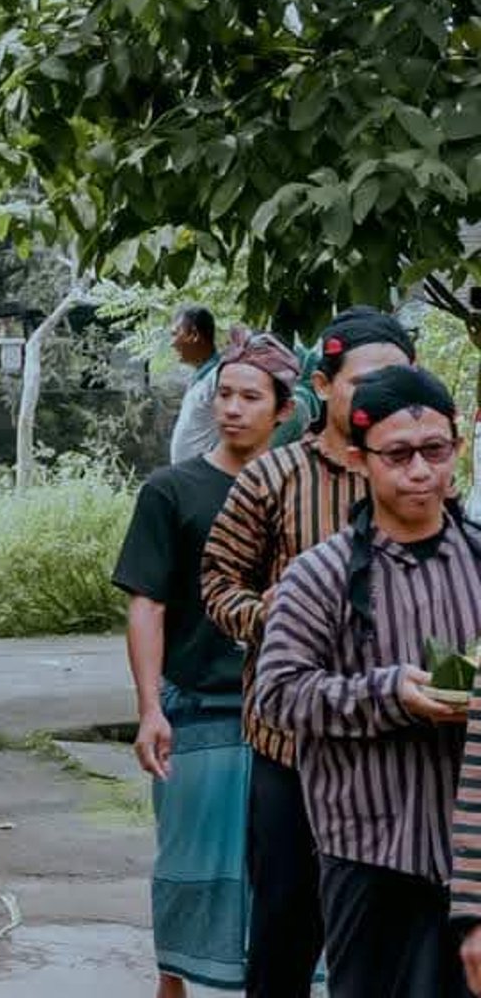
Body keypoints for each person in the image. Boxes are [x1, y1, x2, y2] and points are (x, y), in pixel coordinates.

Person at [200, 306, 415, 998]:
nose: (386, 397)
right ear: (324, 385)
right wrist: (276, 614)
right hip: (292, 749)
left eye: (399, 380)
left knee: (392, 938)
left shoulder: (418, 475)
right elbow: (218, 583)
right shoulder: (273, 478)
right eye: (366, 381)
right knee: (286, 932)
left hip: (399, 747)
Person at [255, 366, 479, 995]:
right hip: (370, 846)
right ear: (360, 460)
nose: (420, 471)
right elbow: (278, 694)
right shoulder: (318, 576)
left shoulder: (479, 560)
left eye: (435, 451)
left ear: (457, 448)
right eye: (398, 455)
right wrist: (387, 694)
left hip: (474, 856)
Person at [114, 333, 300, 996]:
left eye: (250, 397)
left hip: (288, 712)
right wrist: (149, 708)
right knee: (188, 861)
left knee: (288, 871)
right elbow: (147, 603)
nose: (233, 409)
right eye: (224, 394)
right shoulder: (172, 490)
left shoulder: (308, 491)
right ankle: (173, 982)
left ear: (284, 409)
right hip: (198, 703)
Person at [169, 305, 221, 464]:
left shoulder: (219, 377)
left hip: (205, 475)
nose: (172, 343)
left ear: (194, 335)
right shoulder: (201, 377)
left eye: (175, 334)